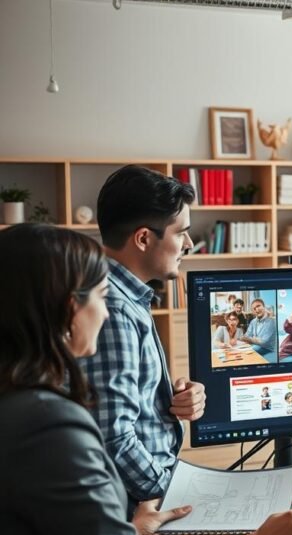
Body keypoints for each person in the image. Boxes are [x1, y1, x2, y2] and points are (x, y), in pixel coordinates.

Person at [0, 224, 292, 535]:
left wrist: (125, 532)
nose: (106, 314)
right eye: (102, 297)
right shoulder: (48, 425)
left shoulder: (17, 401)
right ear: (70, 308)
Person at [79, 165, 207, 508]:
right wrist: (174, 497)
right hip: (141, 504)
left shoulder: (125, 298)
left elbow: (122, 406)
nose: (189, 244)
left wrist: (169, 397)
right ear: (143, 238)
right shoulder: (115, 311)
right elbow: (113, 438)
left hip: (150, 489)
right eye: (182, 233)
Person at [240, 298, 277, 363]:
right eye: (254, 309)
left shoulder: (271, 321)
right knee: (243, 357)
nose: (256, 310)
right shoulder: (253, 322)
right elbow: (246, 335)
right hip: (256, 347)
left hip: (269, 350)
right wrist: (251, 339)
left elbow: (263, 342)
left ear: (264, 307)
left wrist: (250, 339)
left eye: (258, 306)